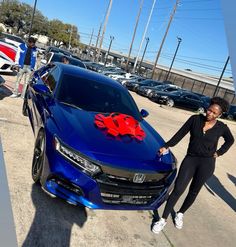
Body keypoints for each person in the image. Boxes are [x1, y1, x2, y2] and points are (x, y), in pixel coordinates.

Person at [152, 97, 234, 234]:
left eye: (214, 113)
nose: (210, 114)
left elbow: (230, 140)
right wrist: (166, 146)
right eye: (209, 110)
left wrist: (219, 153)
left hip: (207, 164)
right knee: (178, 189)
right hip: (191, 159)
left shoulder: (222, 127)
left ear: (220, 115)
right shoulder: (195, 120)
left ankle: (180, 213)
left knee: (194, 191)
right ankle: (163, 219)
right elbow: (180, 134)